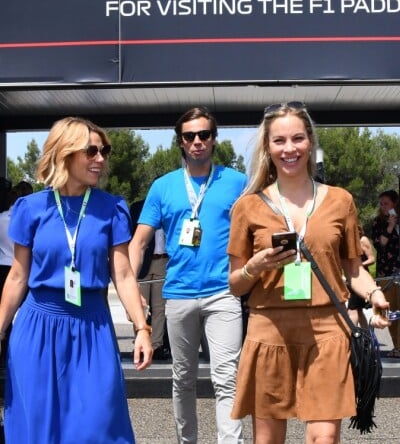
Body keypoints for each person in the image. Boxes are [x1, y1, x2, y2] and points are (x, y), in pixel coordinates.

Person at [227, 101, 390, 444]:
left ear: (311, 143)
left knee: (324, 438)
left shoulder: (340, 200)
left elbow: (354, 269)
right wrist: (256, 265)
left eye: (298, 139)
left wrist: (375, 295)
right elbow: (236, 285)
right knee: (268, 440)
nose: (290, 149)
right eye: (280, 141)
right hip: (269, 330)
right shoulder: (248, 206)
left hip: (327, 329)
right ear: (267, 148)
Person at [0, 116, 152, 443]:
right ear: (65, 153)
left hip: (92, 328)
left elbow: (123, 274)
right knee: (39, 428)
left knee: (98, 425)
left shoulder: (112, 209)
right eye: (92, 151)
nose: (101, 159)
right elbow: (17, 276)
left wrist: (141, 328)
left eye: (105, 151)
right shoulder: (30, 208)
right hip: (37, 327)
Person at [129, 106, 247, 444]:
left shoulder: (237, 182)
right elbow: (139, 241)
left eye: (204, 135)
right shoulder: (163, 187)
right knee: (183, 379)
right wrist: (133, 287)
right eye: (189, 136)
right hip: (178, 293)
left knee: (227, 378)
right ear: (180, 142)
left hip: (223, 292)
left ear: (214, 139)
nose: (197, 141)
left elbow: (263, 225)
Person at [371, 189, 400, 358]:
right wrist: (390, 226)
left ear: (395, 204)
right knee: (389, 311)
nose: (383, 207)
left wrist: (397, 224)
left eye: (386, 203)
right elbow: (381, 245)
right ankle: (395, 345)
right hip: (385, 272)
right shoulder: (377, 223)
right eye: (381, 204)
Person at [130, 198, 171, 361]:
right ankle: (141, 343)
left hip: (163, 261)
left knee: (160, 308)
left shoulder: (171, 206)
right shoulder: (138, 207)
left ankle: (156, 345)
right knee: (140, 306)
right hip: (143, 262)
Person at [0, 180, 33, 362]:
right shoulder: (30, 218)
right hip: (23, 267)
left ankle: (5, 351)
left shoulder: (1, 218)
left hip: (3, 266)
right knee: (25, 312)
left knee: (6, 311)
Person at [347, 223, 376, 327]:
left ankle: (353, 337)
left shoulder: (362, 240)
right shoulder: (348, 242)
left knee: (352, 309)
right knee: (358, 310)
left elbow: (372, 259)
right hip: (350, 277)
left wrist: (359, 265)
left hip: (361, 277)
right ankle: (366, 337)